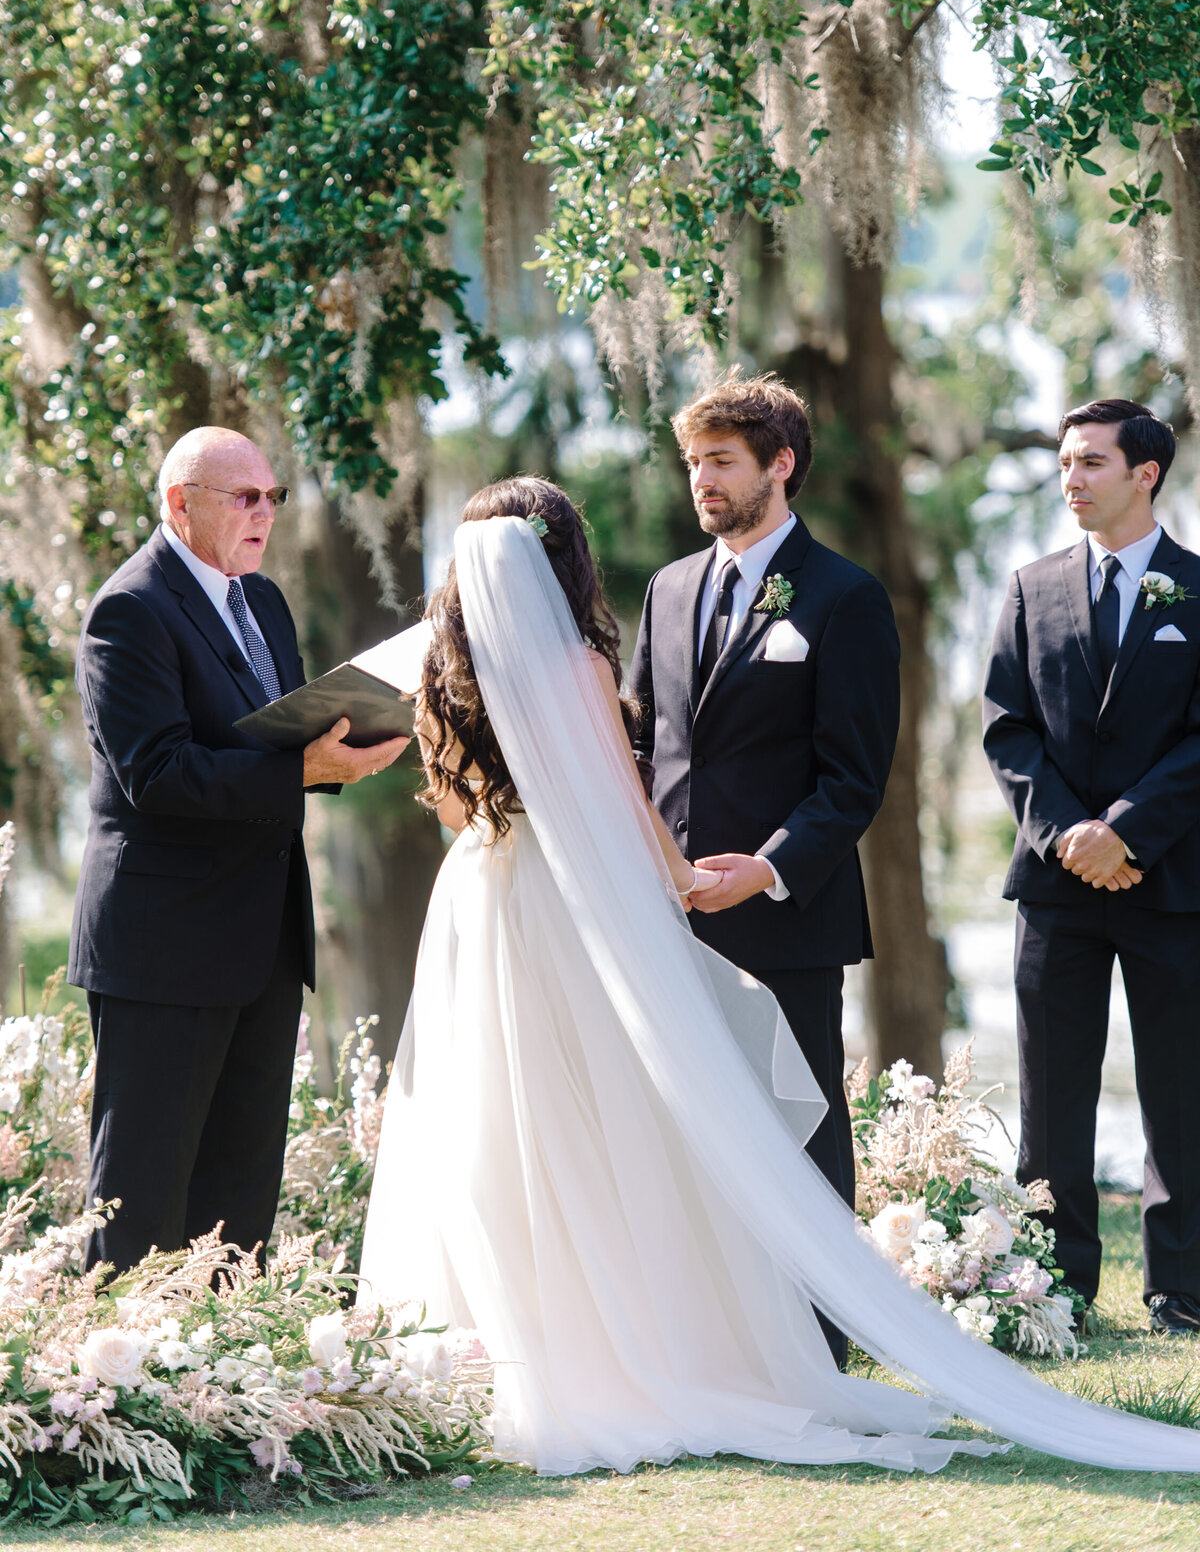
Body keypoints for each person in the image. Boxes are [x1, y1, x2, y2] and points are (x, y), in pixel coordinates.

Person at [360, 474, 1200, 1476]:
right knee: (609, 1115)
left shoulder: (447, 667)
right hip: (567, 897)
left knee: (502, 1117)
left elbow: (459, 810)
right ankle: (638, 1347)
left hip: (478, 897)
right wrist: (677, 876)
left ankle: (512, 1350)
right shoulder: (577, 659)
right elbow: (623, 797)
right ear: (565, 556)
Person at [69, 426, 408, 1275]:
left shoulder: (262, 602)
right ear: (181, 504)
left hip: (261, 939)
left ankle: (225, 1386)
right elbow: (162, 774)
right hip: (164, 944)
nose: (265, 515)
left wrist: (338, 747)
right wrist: (306, 767)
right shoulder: (131, 609)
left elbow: (266, 743)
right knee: (142, 1198)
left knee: (240, 1202)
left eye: (272, 497)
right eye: (243, 498)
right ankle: (122, 1390)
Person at [628, 371, 900, 1361]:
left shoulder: (846, 598)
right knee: (683, 1127)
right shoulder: (667, 589)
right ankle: (716, 1331)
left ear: (780, 465)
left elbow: (854, 778)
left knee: (802, 1120)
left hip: (787, 913)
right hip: (664, 912)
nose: (701, 479)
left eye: (722, 461)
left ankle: (824, 1340)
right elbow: (644, 743)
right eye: (694, 461)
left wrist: (770, 868)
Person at [983, 398, 1200, 1337]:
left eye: (1091, 464)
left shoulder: (1197, 590)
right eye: (1065, 462)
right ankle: (1056, 1289)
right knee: (1052, 1094)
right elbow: (1007, 726)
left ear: (1145, 473)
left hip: (1173, 882)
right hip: (1055, 884)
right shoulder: (1032, 588)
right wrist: (1071, 833)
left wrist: (1127, 831)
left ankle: (1181, 1290)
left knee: (1183, 1091)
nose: (1070, 478)